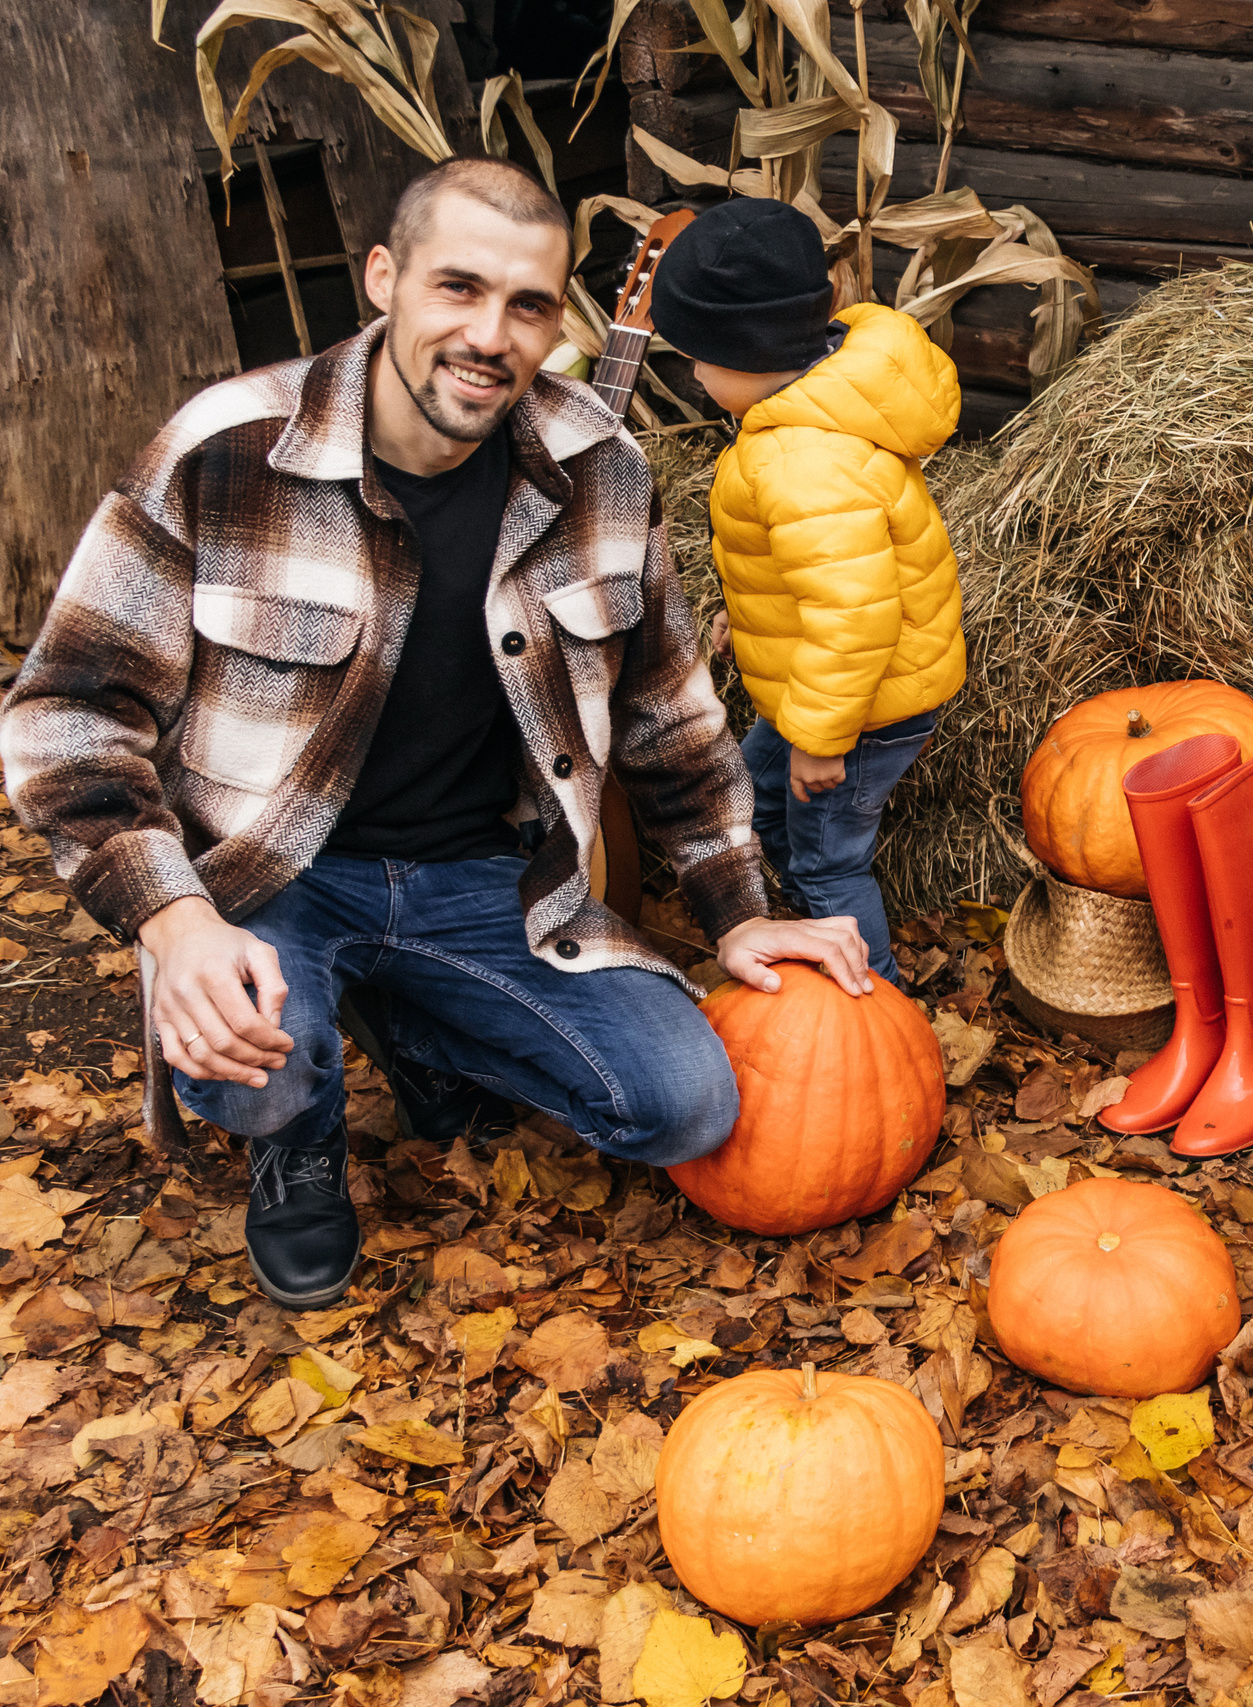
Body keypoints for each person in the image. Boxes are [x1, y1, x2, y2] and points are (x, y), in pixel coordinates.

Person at [0, 159, 872, 1313]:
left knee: (683, 1106)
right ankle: (295, 1138)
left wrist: (739, 910)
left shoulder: (600, 468)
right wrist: (176, 921)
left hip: (485, 879)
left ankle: (406, 1015)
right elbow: (67, 707)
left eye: (527, 306)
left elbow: (668, 714)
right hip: (265, 877)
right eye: (457, 288)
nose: (489, 335)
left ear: (557, 323)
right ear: (383, 278)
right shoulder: (227, 450)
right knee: (249, 1067)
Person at [646, 199, 964, 987]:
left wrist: (823, 740)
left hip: (858, 708)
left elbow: (854, 616)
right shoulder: (812, 406)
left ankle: (874, 999)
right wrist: (747, 616)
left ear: (747, 350)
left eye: (697, 357)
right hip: (826, 689)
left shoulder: (802, 461)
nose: (692, 375)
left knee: (829, 857)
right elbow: (815, 573)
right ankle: (795, 918)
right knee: (756, 790)